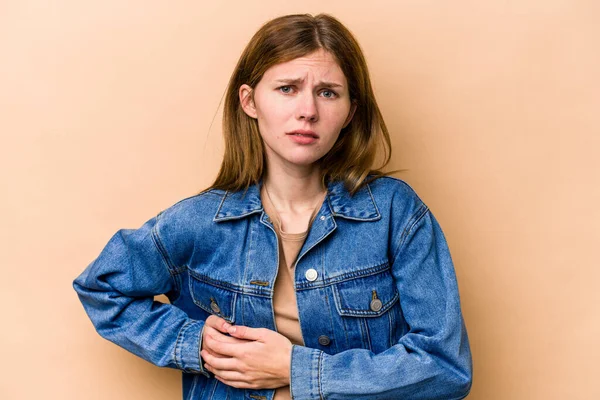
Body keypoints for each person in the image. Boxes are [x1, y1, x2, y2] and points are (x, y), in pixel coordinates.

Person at [73, 13, 473, 400]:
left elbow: (445, 367)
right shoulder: (201, 222)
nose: (308, 111)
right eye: (287, 88)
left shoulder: (393, 213)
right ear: (249, 101)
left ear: (350, 111)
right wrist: (196, 344)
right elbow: (102, 287)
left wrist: (295, 369)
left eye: (328, 92)